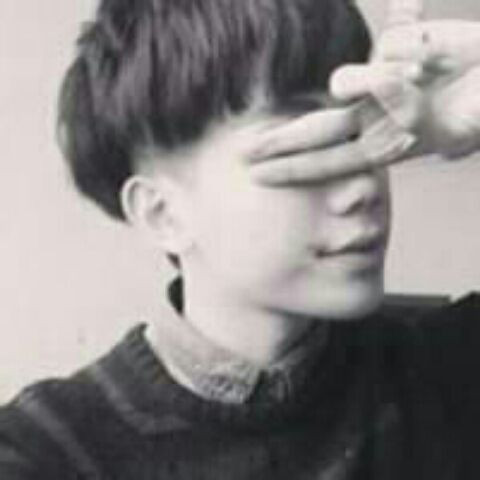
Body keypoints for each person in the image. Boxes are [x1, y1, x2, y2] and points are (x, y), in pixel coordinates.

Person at [0, 1, 479, 479]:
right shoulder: (46, 451)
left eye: (364, 131)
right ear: (162, 214)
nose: (364, 188)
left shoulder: (446, 369)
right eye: (307, 148)